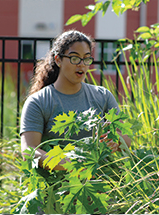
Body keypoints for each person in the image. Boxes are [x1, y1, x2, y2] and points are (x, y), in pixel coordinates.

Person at [20, 30, 131, 171]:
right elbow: (28, 151)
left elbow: (126, 139)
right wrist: (68, 164)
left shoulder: (103, 96)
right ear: (58, 59)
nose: (81, 64)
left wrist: (116, 141)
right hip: (57, 187)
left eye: (86, 58)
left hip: (101, 184)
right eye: (74, 58)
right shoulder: (39, 101)